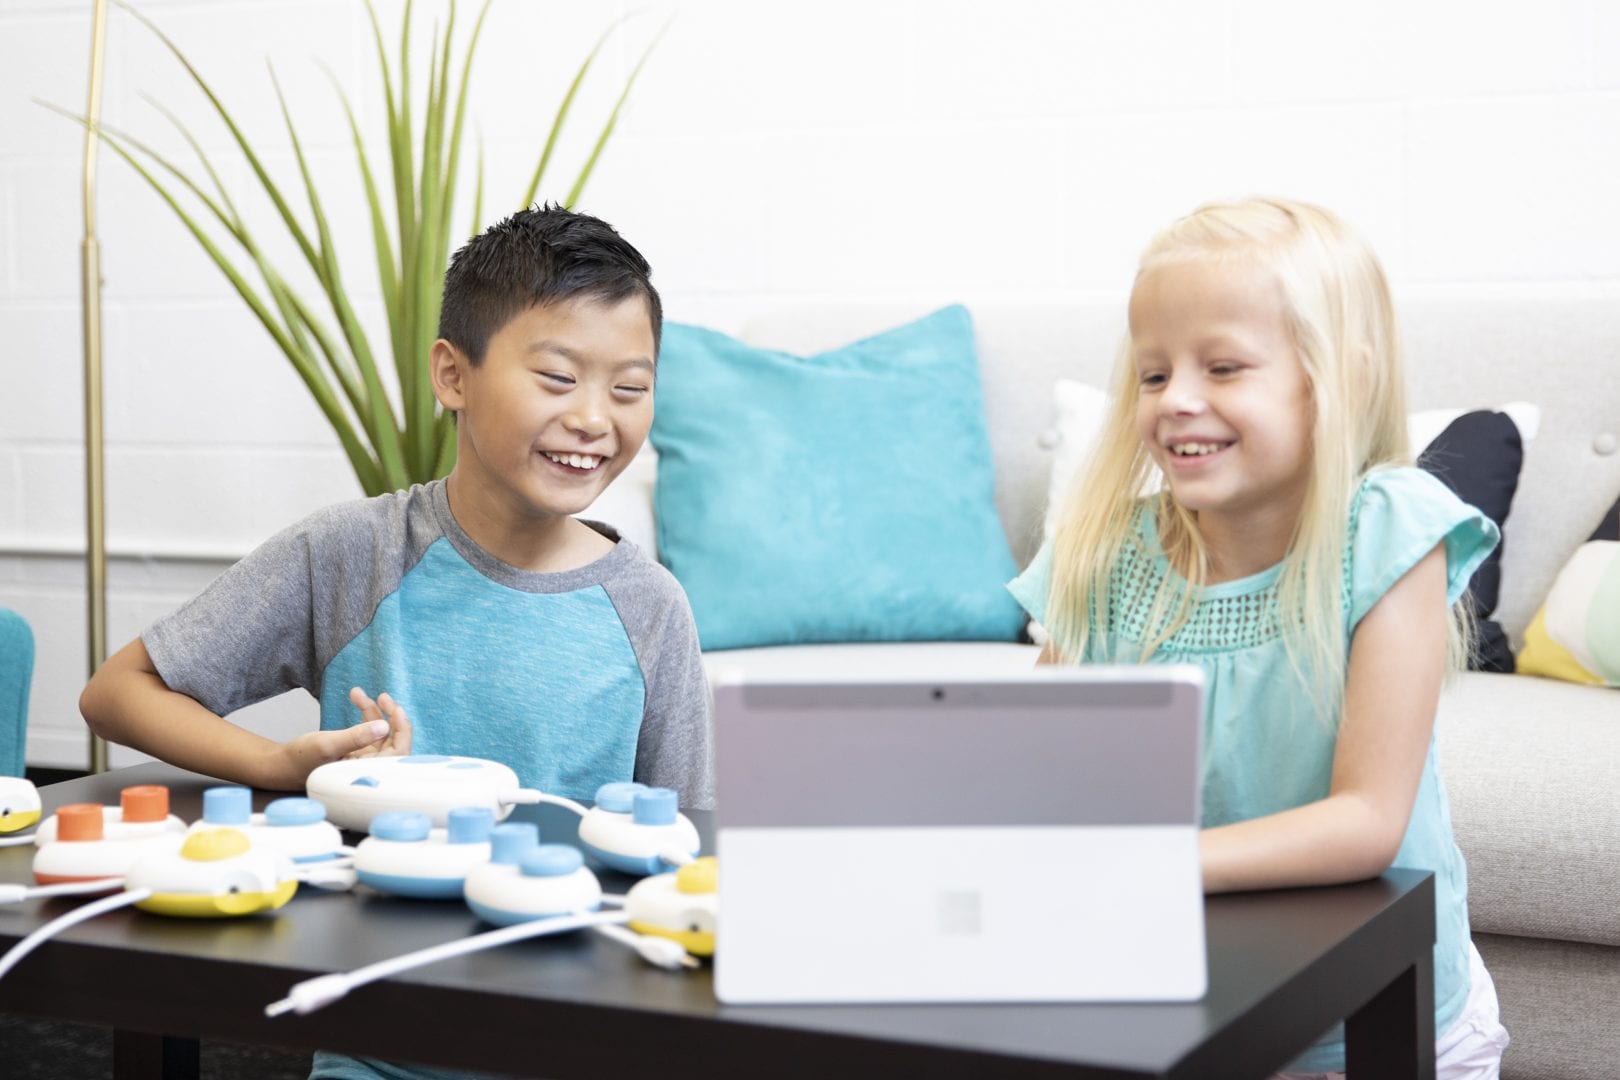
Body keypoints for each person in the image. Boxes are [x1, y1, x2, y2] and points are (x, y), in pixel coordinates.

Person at [80, 205, 714, 1078]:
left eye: (630, 389)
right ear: (453, 375)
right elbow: (118, 691)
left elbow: (684, 868)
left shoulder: (653, 611)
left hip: (580, 1042)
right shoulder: (352, 555)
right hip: (376, 1044)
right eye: (558, 378)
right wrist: (283, 766)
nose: (595, 418)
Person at [1009, 197, 1509, 1079]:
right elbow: (1046, 769)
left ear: (1337, 380)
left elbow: (1367, 822)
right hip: (1185, 1011)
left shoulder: (1390, 534)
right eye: (1155, 375)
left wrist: (1141, 863)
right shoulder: (1103, 550)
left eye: (1225, 367)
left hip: (1376, 1022)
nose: (1179, 401)